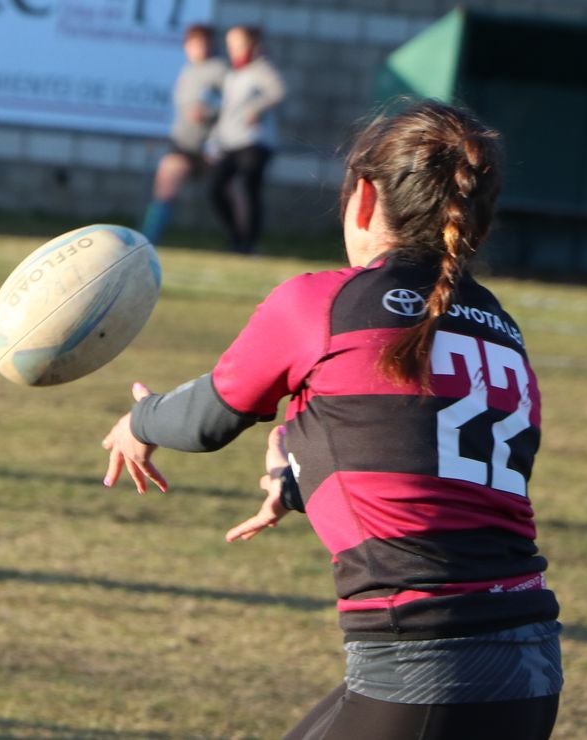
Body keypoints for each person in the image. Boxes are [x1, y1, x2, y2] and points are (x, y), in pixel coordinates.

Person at [101, 100, 562, 739]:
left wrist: (141, 420)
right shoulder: (501, 330)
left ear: (365, 199)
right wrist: (296, 473)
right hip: (531, 662)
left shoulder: (322, 303)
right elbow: (425, 456)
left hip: (421, 662)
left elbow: (207, 418)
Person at [138, 23, 227, 245]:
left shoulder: (219, 70)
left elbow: (231, 105)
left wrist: (209, 114)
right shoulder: (187, 71)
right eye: (194, 44)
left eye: (203, 44)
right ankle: (147, 239)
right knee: (164, 189)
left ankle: (241, 242)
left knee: (231, 193)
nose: (198, 49)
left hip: (209, 146)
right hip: (183, 143)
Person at [206, 25, 286, 254]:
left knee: (246, 187)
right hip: (231, 142)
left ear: (250, 45)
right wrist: (214, 140)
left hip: (255, 141)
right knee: (216, 188)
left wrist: (256, 109)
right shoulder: (232, 73)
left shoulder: (261, 69)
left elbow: (277, 91)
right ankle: (235, 237)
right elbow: (226, 110)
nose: (233, 49)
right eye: (231, 45)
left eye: (238, 44)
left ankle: (248, 243)